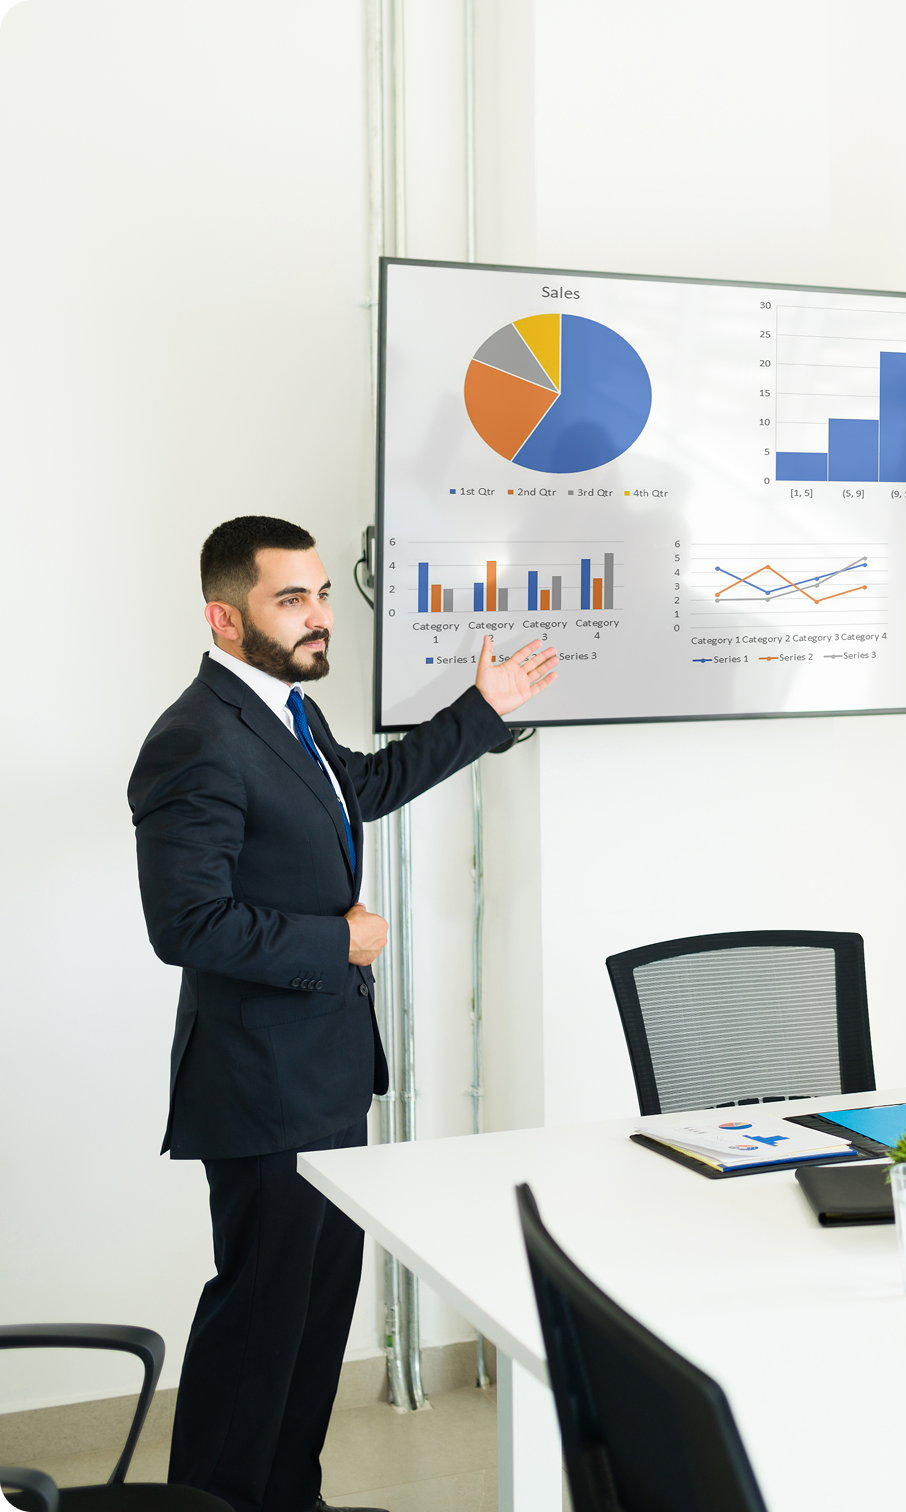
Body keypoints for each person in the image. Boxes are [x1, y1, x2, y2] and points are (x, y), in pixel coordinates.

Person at [130, 517, 558, 1512]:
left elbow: (361, 788)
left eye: (322, 594)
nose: (321, 617)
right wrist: (341, 942)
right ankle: (214, 1504)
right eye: (292, 600)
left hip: (323, 1074)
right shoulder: (194, 739)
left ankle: (291, 1498)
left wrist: (480, 709)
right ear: (224, 619)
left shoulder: (288, 713)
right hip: (259, 1083)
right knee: (260, 1319)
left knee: (318, 1315)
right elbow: (186, 923)